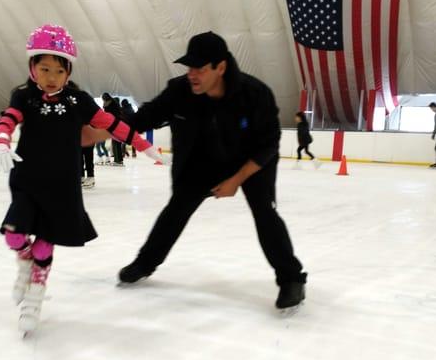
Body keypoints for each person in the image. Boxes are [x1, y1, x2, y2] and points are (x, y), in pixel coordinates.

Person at [0, 24, 162, 334]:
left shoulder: (78, 100)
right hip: (28, 180)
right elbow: (8, 119)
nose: (51, 76)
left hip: (62, 186)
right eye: (44, 68)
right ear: (33, 67)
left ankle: (35, 297)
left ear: (68, 71)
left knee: (44, 246)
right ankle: (24, 264)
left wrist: (143, 145)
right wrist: (1, 140)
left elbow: (112, 124)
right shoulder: (24, 96)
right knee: (15, 237)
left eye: (58, 70)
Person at [118, 31, 307, 310]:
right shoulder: (180, 91)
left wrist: (236, 180)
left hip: (250, 161)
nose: (192, 74)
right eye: (189, 67)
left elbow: (269, 145)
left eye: (200, 68)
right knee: (176, 209)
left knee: (265, 212)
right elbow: (144, 117)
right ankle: (145, 263)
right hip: (201, 161)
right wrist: (107, 128)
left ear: (221, 67)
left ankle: (291, 280)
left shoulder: (255, 94)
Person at [102, 93, 124, 166]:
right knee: (117, 143)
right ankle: (119, 160)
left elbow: (107, 115)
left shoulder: (108, 105)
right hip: (119, 124)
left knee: (115, 143)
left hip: (114, 125)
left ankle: (117, 160)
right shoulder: (115, 103)